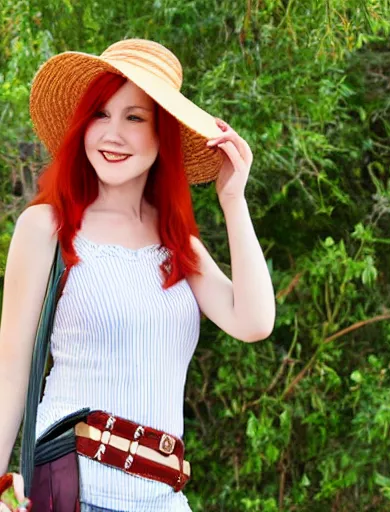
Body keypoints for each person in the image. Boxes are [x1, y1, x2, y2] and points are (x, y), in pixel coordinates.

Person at [0, 39, 275, 512]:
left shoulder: (177, 243)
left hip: (164, 498)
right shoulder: (47, 227)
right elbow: (10, 369)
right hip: (72, 493)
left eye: (134, 117)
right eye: (100, 115)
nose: (112, 134)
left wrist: (233, 200)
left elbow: (253, 322)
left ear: (161, 135)